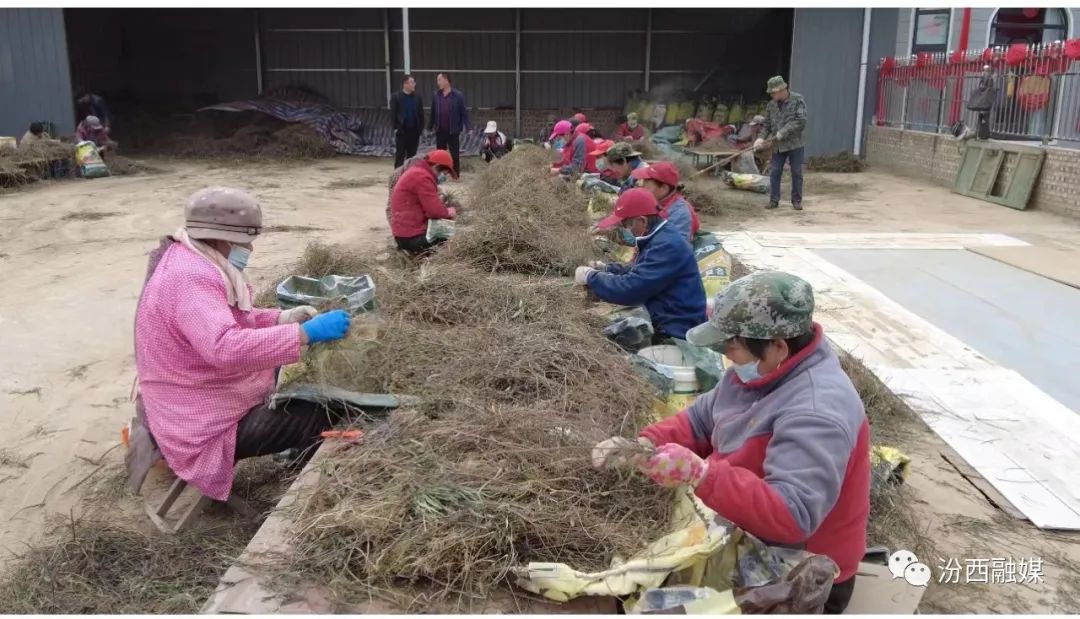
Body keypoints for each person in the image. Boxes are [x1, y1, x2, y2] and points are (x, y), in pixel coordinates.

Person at [591, 270, 870, 614]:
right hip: (743, 531)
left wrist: (702, 475)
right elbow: (699, 419)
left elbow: (791, 516)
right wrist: (644, 445)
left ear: (778, 346)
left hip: (798, 572)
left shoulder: (817, 410)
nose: (726, 354)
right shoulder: (759, 369)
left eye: (731, 345)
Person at [132, 187, 353, 503]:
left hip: (189, 396)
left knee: (281, 365)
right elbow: (225, 347)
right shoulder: (191, 278)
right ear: (221, 237)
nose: (248, 248)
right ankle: (310, 494)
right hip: (197, 423)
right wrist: (304, 334)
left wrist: (283, 318)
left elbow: (231, 320)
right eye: (244, 242)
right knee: (316, 413)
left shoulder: (189, 258)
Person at [575, 188, 706, 342]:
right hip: (663, 315)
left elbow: (630, 289)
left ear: (642, 220)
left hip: (677, 331)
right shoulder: (659, 237)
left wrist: (591, 277)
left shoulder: (667, 245)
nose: (625, 230)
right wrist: (607, 269)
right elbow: (641, 270)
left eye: (626, 225)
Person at [389, 149, 458, 255]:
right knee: (452, 235)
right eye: (444, 173)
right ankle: (432, 264)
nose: (444, 177)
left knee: (446, 229)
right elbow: (435, 212)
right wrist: (449, 212)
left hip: (403, 234)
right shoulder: (422, 177)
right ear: (436, 166)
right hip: (411, 238)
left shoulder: (417, 171)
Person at [756, 76, 807, 211]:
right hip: (778, 146)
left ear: (782, 90)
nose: (771, 95)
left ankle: (796, 201)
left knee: (796, 172)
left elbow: (800, 122)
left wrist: (782, 132)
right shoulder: (771, 105)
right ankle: (774, 200)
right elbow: (767, 125)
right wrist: (760, 138)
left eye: (773, 92)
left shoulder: (798, 100)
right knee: (775, 171)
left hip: (795, 144)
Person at [630, 162, 700, 241]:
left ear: (664, 188)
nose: (642, 186)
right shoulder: (656, 202)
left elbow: (671, 248)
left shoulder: (679, 214)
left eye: (646, 183)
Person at [427, 73, 470, 175]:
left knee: (455, 154)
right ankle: (441, 174)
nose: (438, 83)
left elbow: (464, 112)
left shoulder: (458, 96)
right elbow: (433, 112)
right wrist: (429, 127)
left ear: (446, 80)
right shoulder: (436, 95)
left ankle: (455, 174)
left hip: (453, 130)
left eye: (439, 80)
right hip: (440, 130)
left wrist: (469, 126)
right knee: (440, 154)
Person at [390, 74, 424, 168]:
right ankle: (397, 176)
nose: (414, 84)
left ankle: (410, 176)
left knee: (412, 156)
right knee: (400, 154)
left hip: (414, 131)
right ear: (405, 84)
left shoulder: (417, 97)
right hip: (402, 130)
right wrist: (395, 128)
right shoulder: (396, 97)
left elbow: (421, 114)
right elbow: (393, 114)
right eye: (412, 82)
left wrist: (420, 129)